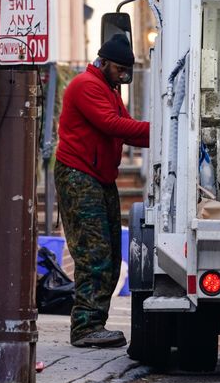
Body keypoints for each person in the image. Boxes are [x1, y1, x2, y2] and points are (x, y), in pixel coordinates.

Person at [55, 34, 149, 348]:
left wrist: (162, 134)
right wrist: (159, 130)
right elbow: (112, 125)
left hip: (98, 176)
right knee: (93, 252)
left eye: (127, 71)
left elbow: (126, 127)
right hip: (79, 175)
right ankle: (85, 327)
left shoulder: (108, 89)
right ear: (104, 62)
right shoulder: (86, 85)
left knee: (109, 253)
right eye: (120, 69)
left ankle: (95, 323)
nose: (124, 76)